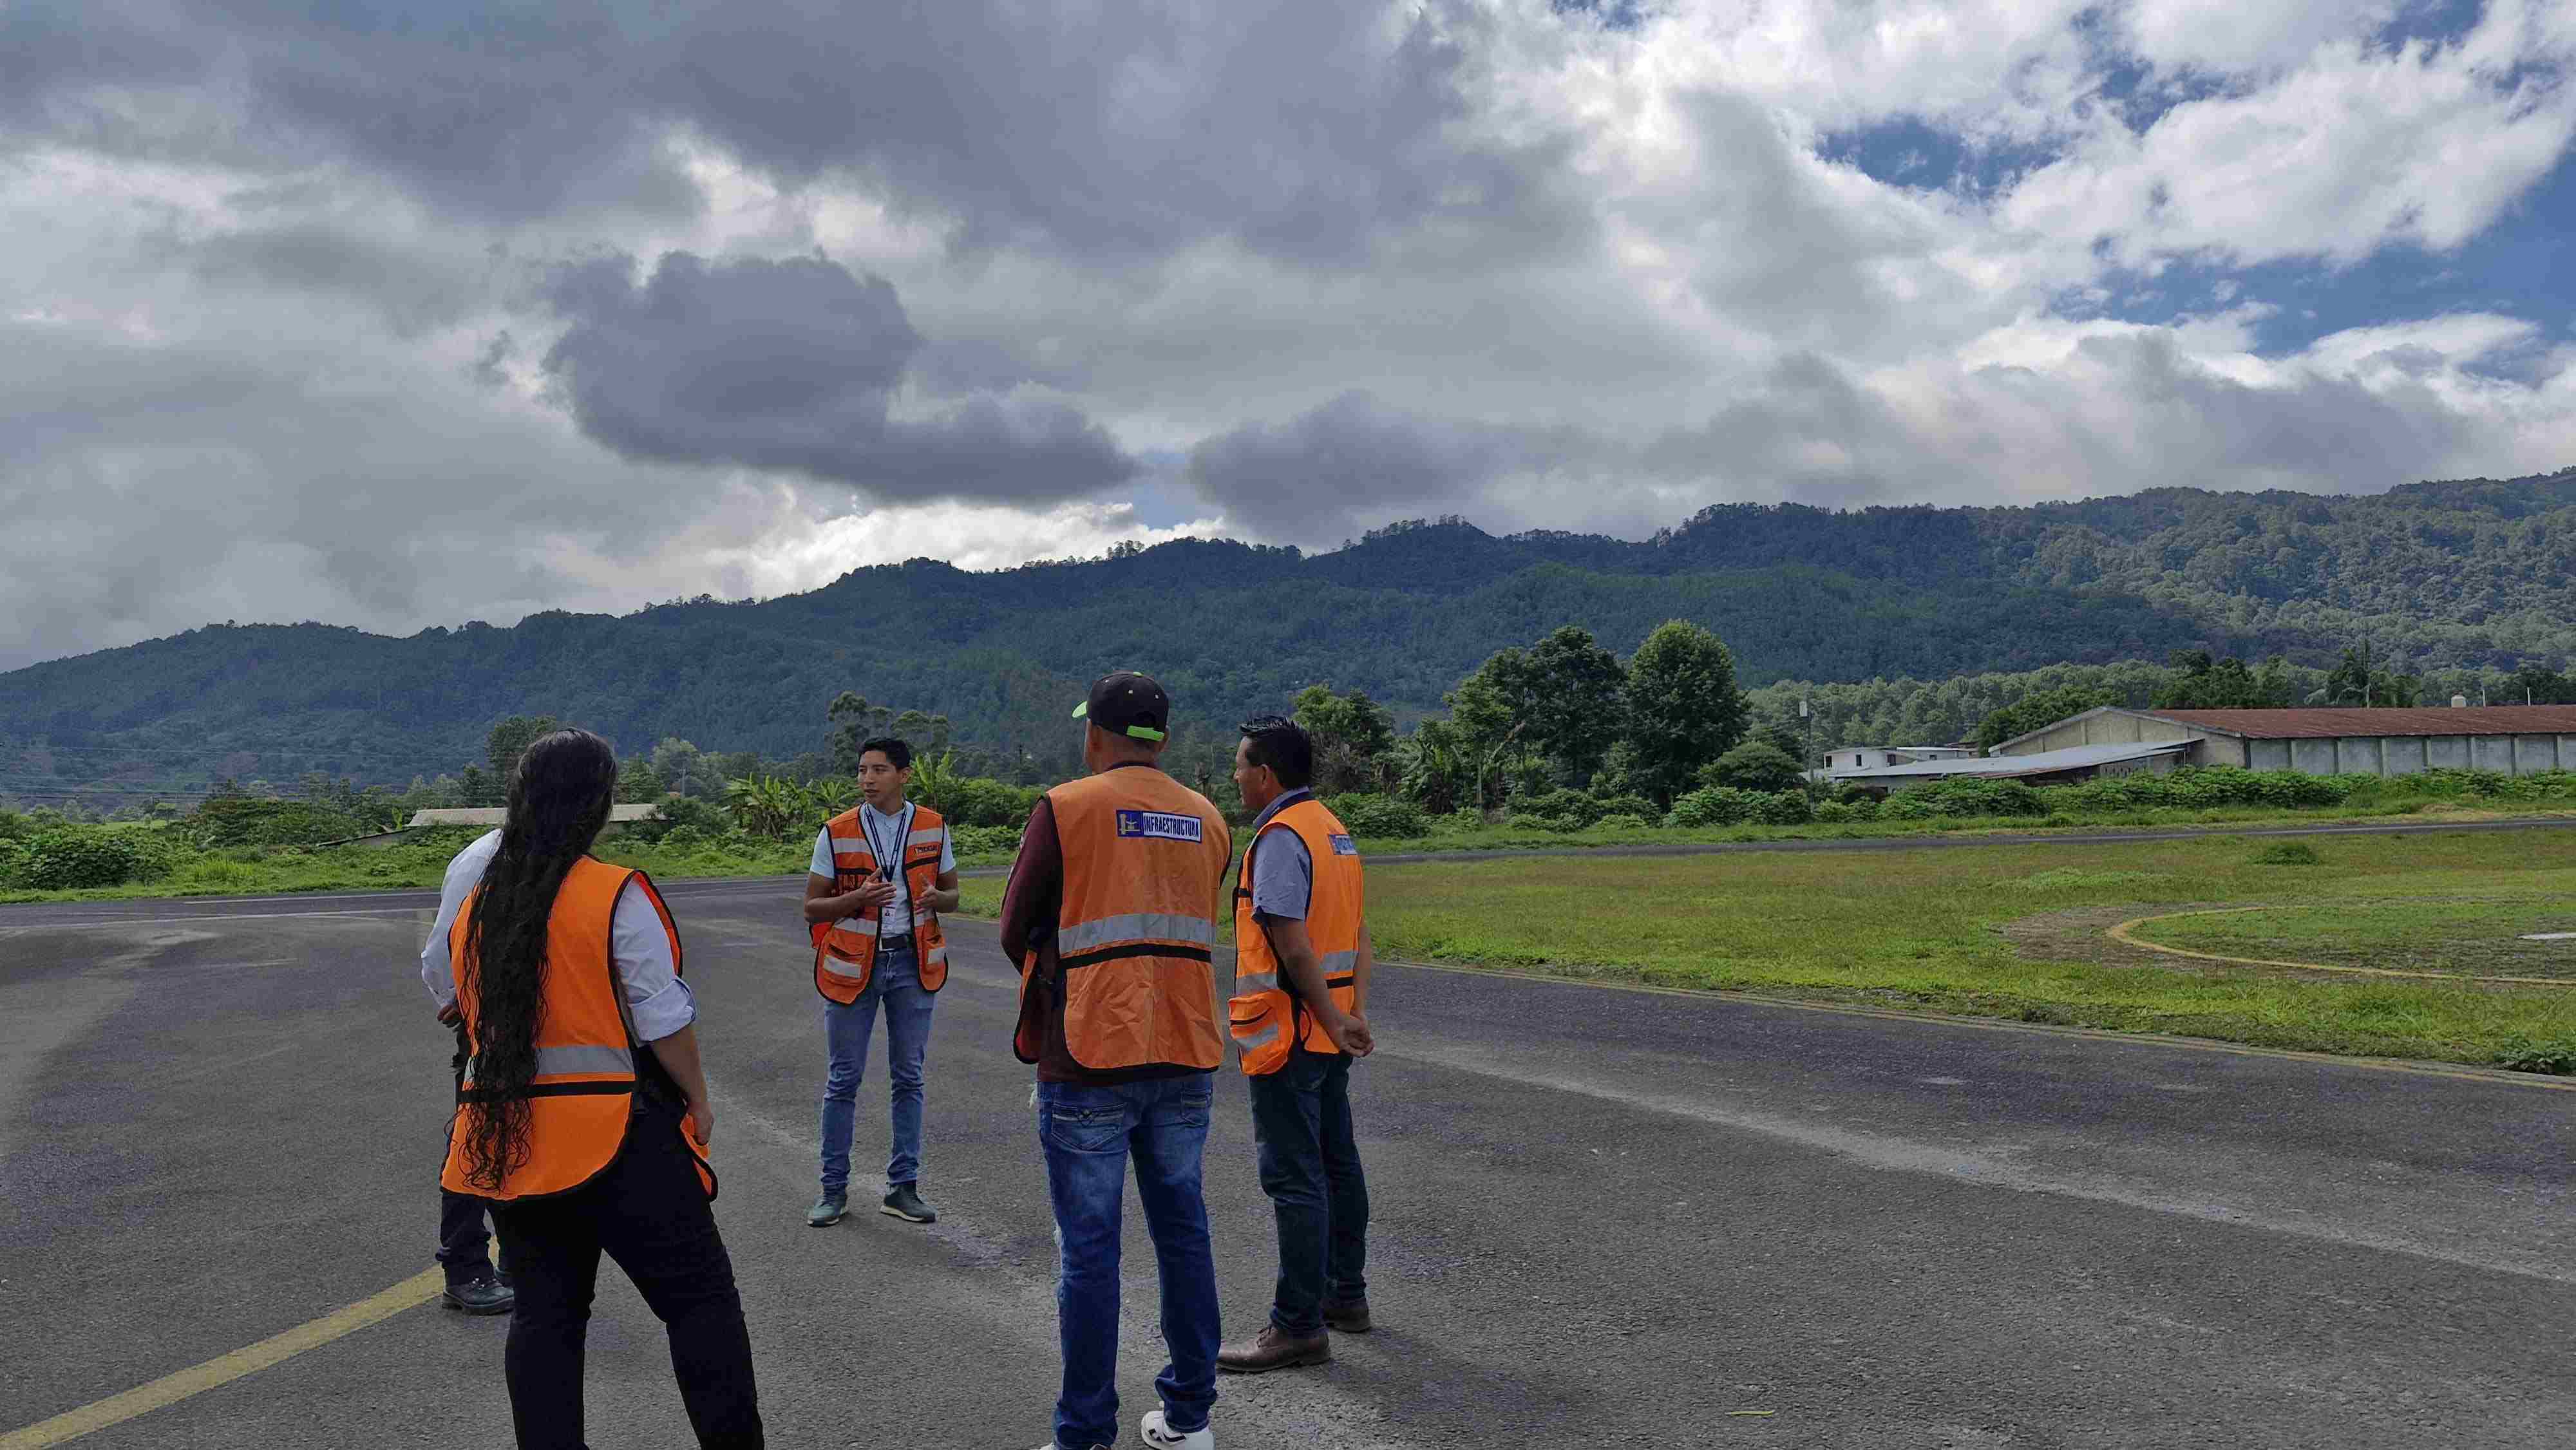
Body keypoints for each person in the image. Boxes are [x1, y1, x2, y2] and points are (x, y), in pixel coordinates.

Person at [424, 728, 763, 1450]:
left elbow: (447, 992)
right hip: (619, 1137)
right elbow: (662, 1018)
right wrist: (698, 1098)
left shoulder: (476, 903)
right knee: (700, 1303)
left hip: (511, 1139)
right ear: (600, 804)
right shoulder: (614, 894)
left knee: (545, 1317)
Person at [1000, 672, 1235, 1450]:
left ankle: (1084, 1433)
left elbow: (1016, 926)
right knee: (1184, 1234)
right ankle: (1190, 1418)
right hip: (1186, 1046)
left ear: (1094, 734)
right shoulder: (1207, 816)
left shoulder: (1066, 806)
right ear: (1161, 738)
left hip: (1089, 1051)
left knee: (1090, 1252)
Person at [1216, 717, 1377, 1376]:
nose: (1234, 776)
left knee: (1295, 1176)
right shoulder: (1332, 829)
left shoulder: (1281, 837)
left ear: (1265, 773)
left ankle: (1297, 1326)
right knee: (1336, 1161)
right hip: (1327, 1027)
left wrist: (1329, 1017)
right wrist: (1350, 1013)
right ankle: (1345, 1295)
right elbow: (1359, 933)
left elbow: (1291, 941)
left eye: (1239, 764)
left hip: (1291, 1032)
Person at [801, 735, 960, 1227]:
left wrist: (936, 898)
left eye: (878, 770)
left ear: (904, 775)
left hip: (913, 964)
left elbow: (953, 896)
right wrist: (858, 899)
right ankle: (832, 1190)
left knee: (909, 1077)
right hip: (853, 968)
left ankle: (902, 1188)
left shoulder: (933, 826)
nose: (867, 779)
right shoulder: (836, 832)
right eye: (862, 770)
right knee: (843, 1080)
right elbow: (812, 907)